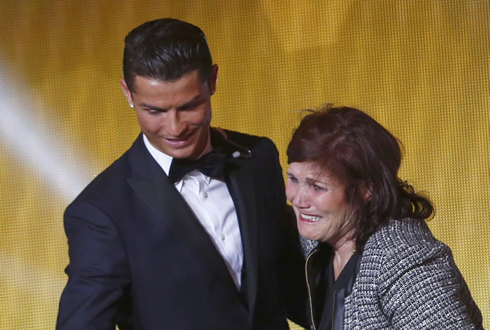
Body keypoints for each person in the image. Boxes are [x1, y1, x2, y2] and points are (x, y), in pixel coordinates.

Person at [57, 18, 307, 330]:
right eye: (155, 111)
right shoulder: (101, 211)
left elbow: (291, 278)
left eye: (189, 106)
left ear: (212, 80)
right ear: (127, 92)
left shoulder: (257, 158)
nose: (175, 128)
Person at [285, 105, 483, 329]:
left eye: (317, 187)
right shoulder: (320, 236)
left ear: (366, 190)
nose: (298, 199)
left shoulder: (402, 262)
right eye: (293, 179)